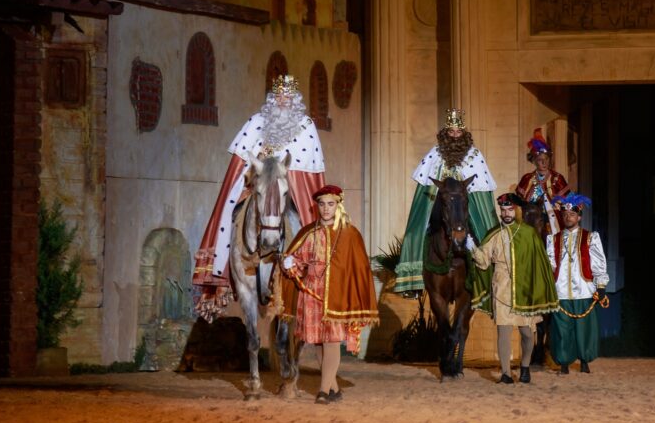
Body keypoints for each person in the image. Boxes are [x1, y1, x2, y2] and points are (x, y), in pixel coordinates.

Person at [192, 74, 326, 322]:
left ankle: (307, 271)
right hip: (258, 183)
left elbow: (306, 173)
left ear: (295, 100)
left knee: (302, 220)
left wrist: (282, 176)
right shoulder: (257, 122)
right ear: (272, 99)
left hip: (287, 189)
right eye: (279, 96)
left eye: (288, 97)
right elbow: (243, 161)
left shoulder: (306, 126)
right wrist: (259, 162)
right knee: (232, 210)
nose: (283, 101)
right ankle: (224, 269)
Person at [280, 185, 378, 404]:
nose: (326, 209)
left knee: (332, 341)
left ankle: (323, 391)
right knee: (318, 341)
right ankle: (334, 389)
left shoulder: (349, 233)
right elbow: (298, 262)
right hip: (311, 294)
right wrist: (290, 264)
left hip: (336, 294)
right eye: (322, 204)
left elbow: (358, 268)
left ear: (338, 205)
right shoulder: (308, 232)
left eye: (330, 204)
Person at [393, 108, 498, 295]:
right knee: (414, 234)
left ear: (464, 134)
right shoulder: (435, 154)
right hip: (440, 205)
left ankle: (491, 280)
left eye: (459, 132)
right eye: (451, 132)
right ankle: (414, 282)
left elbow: (482, 195)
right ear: (445, 133)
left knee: (486, 234)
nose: (455, 136)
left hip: (466, 206)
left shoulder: (474, 156)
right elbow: (425, 190)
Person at [467, 193, 559, 384]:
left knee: (527, 334)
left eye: (510, 210)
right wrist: (472, 248)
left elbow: (539, 262)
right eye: (503, 210)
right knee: (504, 332)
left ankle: (525, 366)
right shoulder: (494, 233)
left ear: (516, 210)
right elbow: (483, 262)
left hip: (524, 290)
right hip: (502, 288)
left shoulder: (528, 233)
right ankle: (506, 373)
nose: (506, 213)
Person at [547, 192, 609, 375]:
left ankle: (584, 361)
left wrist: (601, 287)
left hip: (584, 290)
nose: (568, 217)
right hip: (560, 292)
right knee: (562, 329)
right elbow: (550, 265)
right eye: (565, 214)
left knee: (584, 329)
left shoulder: (591, 237)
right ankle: (564, 363)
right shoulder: (553, 239)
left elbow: (599, 264)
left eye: (572, 214)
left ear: (579, 217)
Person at [514, 128, 569, 236]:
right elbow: (519, 203)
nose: (544, 163)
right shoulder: (527, 178)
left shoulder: (557, 178)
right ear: (534, 161)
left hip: (553, 221)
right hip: (530, 220)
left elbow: (566, 202)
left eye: (546, 159)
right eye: (540, 160)